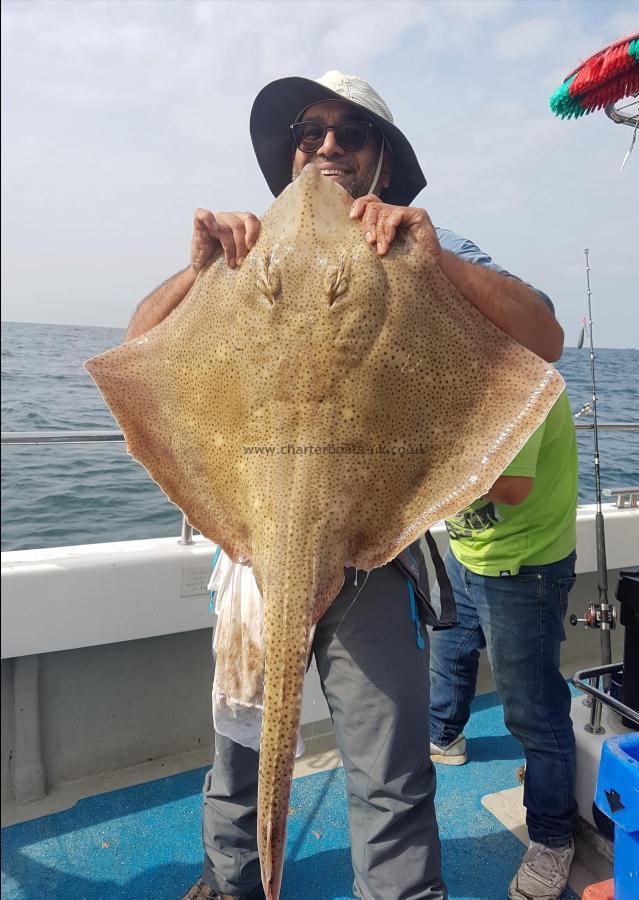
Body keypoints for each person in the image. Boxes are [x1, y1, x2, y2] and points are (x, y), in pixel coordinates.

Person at [125, 71, 563, 900]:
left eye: (351, 133)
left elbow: (543, 334)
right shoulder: (241, 247)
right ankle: (231, 881)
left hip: (373, 543)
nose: (327, 146)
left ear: (383, 162)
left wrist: (438, 263)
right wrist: (198, 270)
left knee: (390, 769)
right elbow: (137, 350)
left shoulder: (422, 240)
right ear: (288, 154)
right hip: (253, 538)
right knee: (242, 747)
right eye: (308, 131)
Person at [428, 391, 579, 900]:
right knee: (450, 651)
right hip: (467, 554)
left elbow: (511, 486)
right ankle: (444, 737)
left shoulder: (525, 383)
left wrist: (425, 469)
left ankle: (553, 838)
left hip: (524, 568)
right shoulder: (463, 376)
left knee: (532, 707)